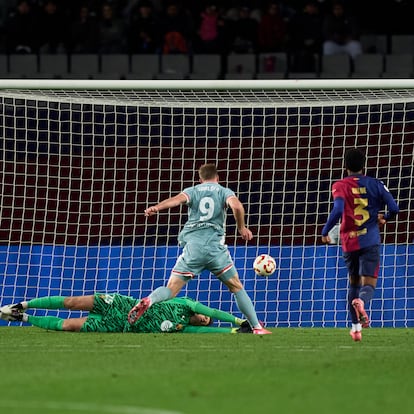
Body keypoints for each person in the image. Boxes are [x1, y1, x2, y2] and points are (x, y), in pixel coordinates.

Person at [129, 163, 271, 335]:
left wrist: (156, 208)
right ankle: (256, 327)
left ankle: (149, 300)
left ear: (200, 179)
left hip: (193, 249)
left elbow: (175, 200)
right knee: (236, 287)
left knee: (171, 289)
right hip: (214, 250)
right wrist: (242, 228)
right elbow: (237, 206)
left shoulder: (193, 190)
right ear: (217, 178)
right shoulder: (224, 191)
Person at [321, 148, 399, 342]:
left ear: (345, 166)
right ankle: (362, 302)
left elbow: (338, 209)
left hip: (350, 242)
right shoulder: (376, 184)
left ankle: (356, 329)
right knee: (369, 285)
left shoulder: (339, 185)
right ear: (364, 165)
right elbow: (395, 208)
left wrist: (325, 231)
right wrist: (384, 218)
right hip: (370, 240)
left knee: (353, 283)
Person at [0, 294, 254, 334]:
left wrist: (233, 331)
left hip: (119, 326)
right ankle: (25, 304)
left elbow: (204, 332)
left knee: (68, 326)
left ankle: (21, 318)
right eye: (205, 317)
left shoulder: (181, 328)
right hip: (120, 304)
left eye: (205, 321)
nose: (204, 318)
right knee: (72, 302)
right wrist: (238, 319)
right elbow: (212, 311)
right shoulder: (187, 304)